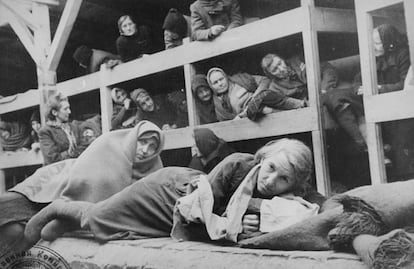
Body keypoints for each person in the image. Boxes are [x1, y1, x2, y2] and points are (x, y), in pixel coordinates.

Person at [23, 138, 324, 247]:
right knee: (100, 216)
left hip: (190, 216)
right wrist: (236, 228)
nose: (272, 180)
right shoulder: (237, 165)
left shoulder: (291, 195)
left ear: (295, 184)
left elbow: (323, 204)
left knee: (119, 231)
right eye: (270, 168)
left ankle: (66, 224)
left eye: (284, 179)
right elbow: (199, 211)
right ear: (263, 158)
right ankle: (60, 208)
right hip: (173, 194)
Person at [0, 120, 164, 254]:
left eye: (152, 147)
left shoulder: (154, 170)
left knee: (17, 231)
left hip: (81, 209)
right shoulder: (109, 143)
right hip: (62, 183)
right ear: (134, 138)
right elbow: (86, 174)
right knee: (8, 205)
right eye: (142, 142)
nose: (145, 150)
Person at [206, 67, 306, 121]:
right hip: (249, 117)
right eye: (215, 82)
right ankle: (292, 114)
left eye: (221, 79)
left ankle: (300, 104)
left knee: (264, 97)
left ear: (225, 77)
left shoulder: (240, 80)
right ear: (211, 86)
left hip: (263, 101)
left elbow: (264, 80)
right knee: (259, 108)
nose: (220, 84)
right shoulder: (218, 103)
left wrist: (255, 96)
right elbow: (227, 122)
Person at [38, 92, 80, 165]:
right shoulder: (46, 131)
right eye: (65, 109)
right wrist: (71, 153)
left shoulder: (72, 127)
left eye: (69, 108)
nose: (69, 112)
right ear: (54, 112)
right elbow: (52, 159)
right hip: (58, 173)